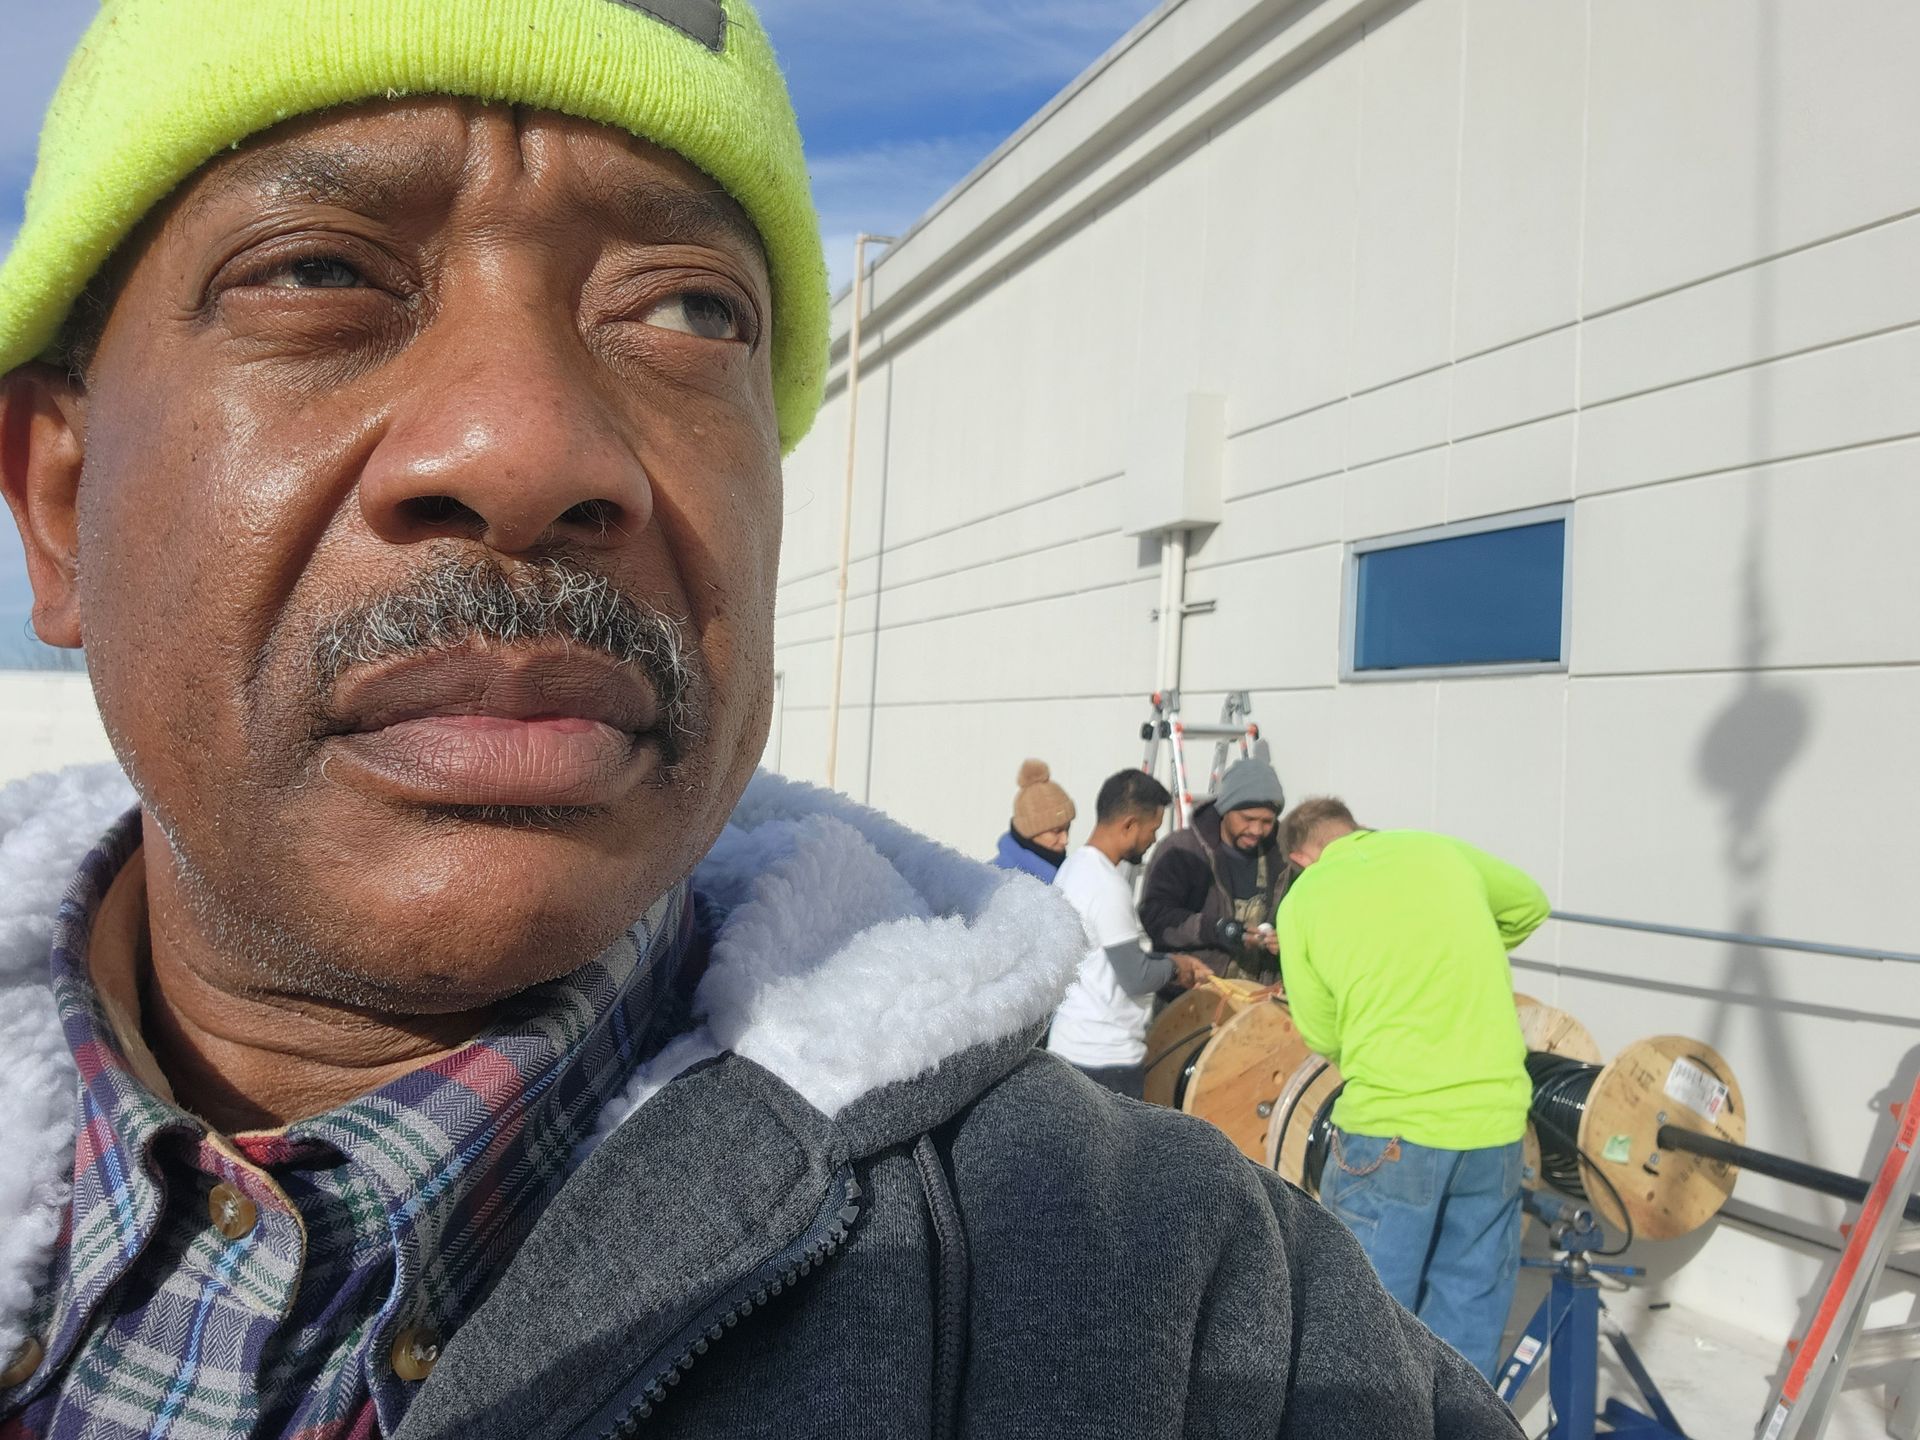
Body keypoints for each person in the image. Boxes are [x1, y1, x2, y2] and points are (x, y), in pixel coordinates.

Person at [0, 6, 1523, 1436]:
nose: (529, 446)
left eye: (685, 308)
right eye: (317, 273)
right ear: (59, 508)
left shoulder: (1186, 1314)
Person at [1274, 796, 1550, 1382]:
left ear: (1302, 857)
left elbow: (1321, 1031)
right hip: (1495, 1122)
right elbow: (1530, 904)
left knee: (1364, 1325)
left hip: (1392, 1127)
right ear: (1355, 829)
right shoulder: (1436, 850)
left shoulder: (1305, 899)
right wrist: (1453, 955)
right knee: (1467, 1318)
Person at [1046, 771, 1211, 1097]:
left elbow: (1106, 961)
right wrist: (1179, 966)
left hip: (1069, 1046)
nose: (1152, 840)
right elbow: (1135, 976)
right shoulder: (1106, 886)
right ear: (1129, 824)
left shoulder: (1073, 869)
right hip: (1107, 1060)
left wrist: (1167, 960)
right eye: (1152, 829)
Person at [1140, 756, 1291, 982]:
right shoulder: (1182, 850)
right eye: (1248, 819)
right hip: (1193, 999)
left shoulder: (1283, 855)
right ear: (1225, 809)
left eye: (1267, 821)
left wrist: (1285, 938)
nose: (1257, 830)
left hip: (1259, 1002)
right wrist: (1218, 929)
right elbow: (1155, 917)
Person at [989, 758, 1074, 882]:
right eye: (1056, 831)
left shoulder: (1065, 872)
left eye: (1067, 828)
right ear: (1029, 832)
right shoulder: (1002, 883)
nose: (1065, 840)